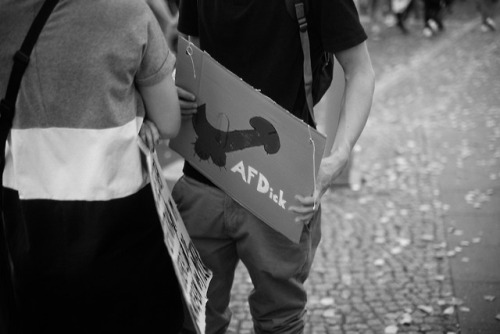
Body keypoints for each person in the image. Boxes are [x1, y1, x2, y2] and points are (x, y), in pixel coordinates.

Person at [150, 0, 374, 333]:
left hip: (280, 185)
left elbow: (361, 71)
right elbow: (190, 53)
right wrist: (176, 87)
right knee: (194, 321)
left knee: (279, 322)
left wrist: (339, 156)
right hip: (203, 177)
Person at [0, 1, 183, 333]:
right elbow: (169, 122)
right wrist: (137, 111)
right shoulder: (128, 12)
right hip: (118, 227)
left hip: (26, 227)